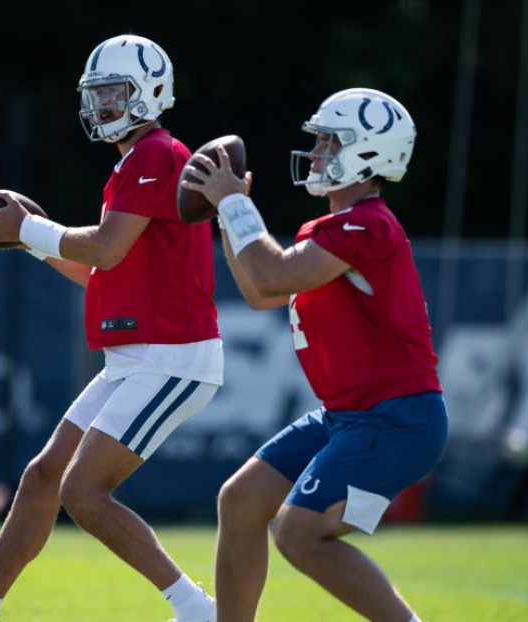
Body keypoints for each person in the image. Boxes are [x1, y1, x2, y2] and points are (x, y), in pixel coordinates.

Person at [0, 34, 223, 622]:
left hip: (173, 357)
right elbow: (100, 267)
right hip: (137, 356)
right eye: (96, 95)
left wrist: (31, 229)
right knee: (44, 476)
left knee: (82, 492)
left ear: (150, 92)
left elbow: (106, 247)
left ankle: (194, 608)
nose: (101, 106)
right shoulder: (134, 162)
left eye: (114, 93)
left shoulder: (156, 153)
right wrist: (31, 240)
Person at [181, 88, 448, 622]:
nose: (319, 152)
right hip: (350, 415)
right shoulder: (333, 229)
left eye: (331, 141)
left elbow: (274, 273)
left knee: (300, 533)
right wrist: (226, 215)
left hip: (396, 418)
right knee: (241, 502)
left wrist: (235, 203)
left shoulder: (368, 224)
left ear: (370, 154)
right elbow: (262, 290)